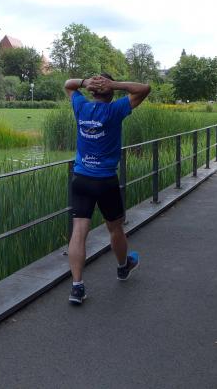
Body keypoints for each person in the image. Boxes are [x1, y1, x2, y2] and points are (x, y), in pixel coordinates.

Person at [64, 73, 151, 305]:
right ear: (110, 92)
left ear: (92, 92)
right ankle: (123, 267)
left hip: (81, 178)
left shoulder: (81, 106)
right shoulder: (115, 110)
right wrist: (114, 84)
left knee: (79, 231)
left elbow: (68, 85)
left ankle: (77, 287)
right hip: (105, 181)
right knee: (115, 228)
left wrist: (85, 83)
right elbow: (144, 88)